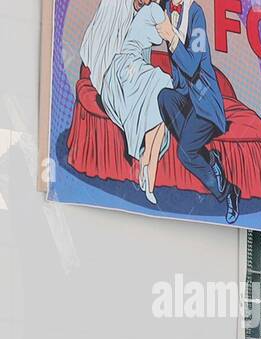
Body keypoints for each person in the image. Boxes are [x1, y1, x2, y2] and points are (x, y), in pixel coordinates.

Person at [155, 0, 240, 223]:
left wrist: (171, 37)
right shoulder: (164, 6)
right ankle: (210, 158)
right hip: (183, 96)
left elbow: (193, 66)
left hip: (204, 102)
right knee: (164, 98)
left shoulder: (196, 14)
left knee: (185, 153)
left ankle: (228, 191)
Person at [83, 0, 173, 203]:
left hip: (135, 67)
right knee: (163, 83)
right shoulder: (155, 12)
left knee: (161, 107)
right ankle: (147, 167)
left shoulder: (151, 10)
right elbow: (171, 36)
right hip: (125, 67)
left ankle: (148, 174)